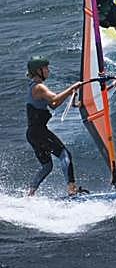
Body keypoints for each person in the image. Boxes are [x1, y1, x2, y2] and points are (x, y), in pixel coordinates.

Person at [25, 57, 85, 196]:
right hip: (39, 132)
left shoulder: (33, 86)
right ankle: (72, 190)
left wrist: (74, 101)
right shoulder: (39, 87)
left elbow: (53, 104)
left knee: (47, 166)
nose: (48, 70)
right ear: (38, 71)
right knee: (65, 154)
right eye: (45, 68)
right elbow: (54, 99)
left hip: (32, 133)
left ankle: (30, 194)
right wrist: (72, 88)